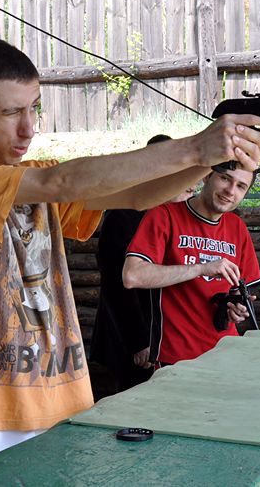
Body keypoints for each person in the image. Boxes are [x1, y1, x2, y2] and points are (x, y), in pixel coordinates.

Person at [0, 38, 260, 481]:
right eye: (10, 113)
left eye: (34, 108)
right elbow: (59, 183)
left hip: (62, 404)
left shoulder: (33, 173)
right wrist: (197, 149)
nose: (28, 128)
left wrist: (220, 154)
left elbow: (138, 195)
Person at [121, 165, 260, 367]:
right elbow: (132, 276)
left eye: (240, 186)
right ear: (206, 177)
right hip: (176, 356)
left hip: (226, 352)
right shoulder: (164, 215)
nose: (231, 191)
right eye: (224, 178)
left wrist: (237, 308)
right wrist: (201, 268)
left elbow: (239, 290)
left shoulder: (237, 227)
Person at [89, 135, 196, 394]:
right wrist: (139, 341)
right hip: (131, 337)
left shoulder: (176, 213)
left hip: (166, 333)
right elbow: (116, 283)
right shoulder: (124, 214)